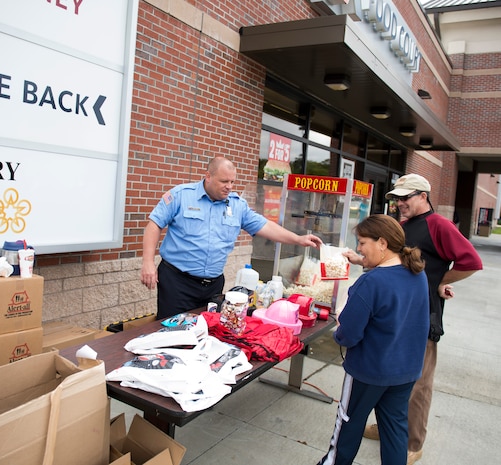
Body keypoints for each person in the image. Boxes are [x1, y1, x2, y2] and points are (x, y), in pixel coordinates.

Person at [345, 174, 483, 465]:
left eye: (406, 198)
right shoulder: (402, 227)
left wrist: (438, 281)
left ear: (424, 196)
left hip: (422, 314)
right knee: (392, 377)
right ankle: (389, 429)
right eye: (396, 198)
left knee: (417, 383)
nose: (399, 204)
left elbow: (471, 261)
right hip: (394, 312)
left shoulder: (439, 225)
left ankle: (413, 442)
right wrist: (361, 259)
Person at [141, 156, 322, 319]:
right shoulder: (181, 195)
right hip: (177, 282)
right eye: (224, 181)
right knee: (171, 333)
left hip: (212, 285)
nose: (229, 186)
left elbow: (265, 226)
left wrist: (298, 239)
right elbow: (154, 224)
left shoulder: (237, 206)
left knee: (204, 333)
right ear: (208, 176)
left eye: (232, 181)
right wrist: (148, 262)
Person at [317, 214, 429, 465]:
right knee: (394, 430)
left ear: (382, 242)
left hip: (368, 371)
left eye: (362, 242)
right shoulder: (417, 274)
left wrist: (340, 327)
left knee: (348, 423)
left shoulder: (371, 282)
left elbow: (348, 335)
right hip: (406, 371)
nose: (358, 248)